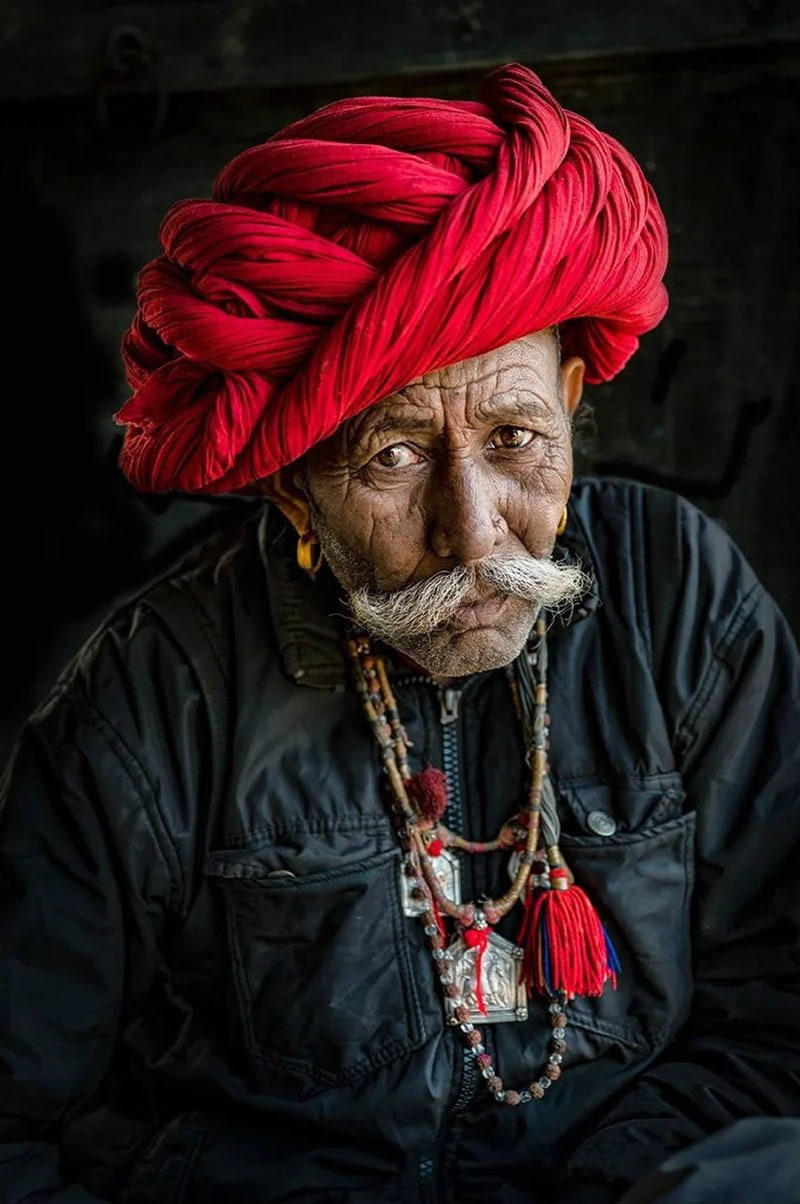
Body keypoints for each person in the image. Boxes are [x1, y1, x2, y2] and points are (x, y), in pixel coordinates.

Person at [0, 62, 797, 1204]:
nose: (471, 534)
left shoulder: (677, 592)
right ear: (289, 489)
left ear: (571, 396)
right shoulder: (159, 689)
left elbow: (780, 1008)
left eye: (516, 436)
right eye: (393, 455)